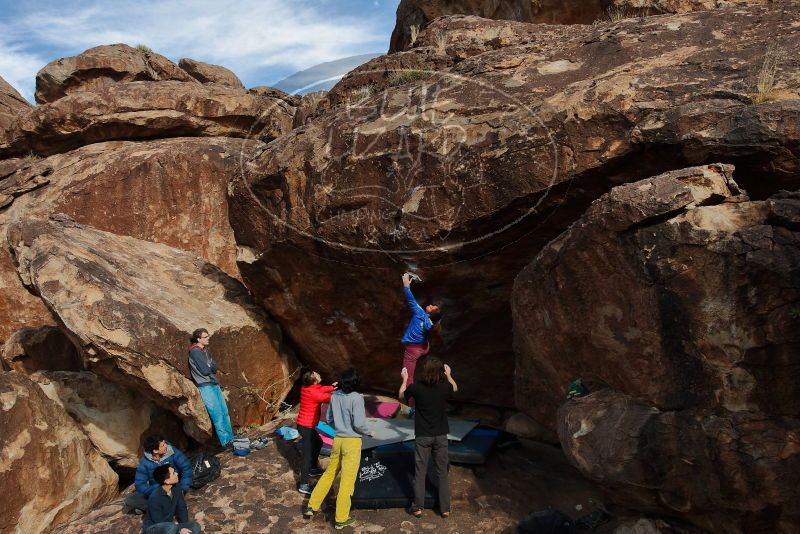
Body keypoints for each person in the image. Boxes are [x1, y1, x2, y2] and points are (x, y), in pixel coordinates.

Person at [303, 368, 372, 530]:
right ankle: (341, 518)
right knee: (347, 481)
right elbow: (359, 424)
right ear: (355, 382)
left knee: (329, 473)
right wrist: (369, 432)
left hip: (338, 440)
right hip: (352, 442)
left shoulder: (335, 396)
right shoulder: (356, 398)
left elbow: (329, 419)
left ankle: (311, 506)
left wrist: (340, 427)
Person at [399, 356, 458, 519]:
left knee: (420, 472)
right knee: (442, 472)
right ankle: (445, 508)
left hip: (423, 435)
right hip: (440, 435)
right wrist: (449, 375)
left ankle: (417, 507)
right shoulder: (444, 386)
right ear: (440, 371)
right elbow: (455, 389)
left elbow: (401, 396)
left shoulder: (416, 387)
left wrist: (404, 379)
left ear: (424, 370)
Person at [400, 273, 442, 411]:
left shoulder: (420, 314)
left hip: (412, 350)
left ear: (431, 314)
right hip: (423, 347)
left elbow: (411, 300)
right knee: (422, 359)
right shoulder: (432, 323)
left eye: (432, 307)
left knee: (408, 376)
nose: (429, 305)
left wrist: (406, 284)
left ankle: (412, 405)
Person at [188, 328, 234, 448]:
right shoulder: (195, 352)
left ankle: (231, 438)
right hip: (205, 387)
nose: (208, 338)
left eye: (208, 336)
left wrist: (209, 366)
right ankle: (225, 442)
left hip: (214, 384)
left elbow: (214, 367)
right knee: (217, 414)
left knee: (224, 412)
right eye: (205, 336)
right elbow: (205, 370)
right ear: (198, 339)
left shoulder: (206, 351)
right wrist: (209, 366)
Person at [125, 434, 193, 514]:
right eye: (163, 445)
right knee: (130, 500)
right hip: (158, 490)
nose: (166, 446)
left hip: (174, 487)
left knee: (171, 496)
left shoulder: (172, 452)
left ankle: (155, 508)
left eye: (165, 443)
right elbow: (140, 484)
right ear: (155, 451)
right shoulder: (145, 462)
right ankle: (165, 507)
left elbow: (186, 468)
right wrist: (155, 490)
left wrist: (183, 488)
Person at [296, 370, 337, 495]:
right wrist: (342, 394)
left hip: (305, 425)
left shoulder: (306, 388)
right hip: (306, 427)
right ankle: (303, 484)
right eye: (317, 375)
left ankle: (313, 468)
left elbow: (321, 388)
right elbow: (330, 398)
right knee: (307, 456)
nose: (319, 374)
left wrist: (332, 387)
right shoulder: (314, 393)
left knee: (318, 442)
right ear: (314, 380)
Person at [142, 464, 202, 534]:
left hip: (170, 527)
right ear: (167, 481)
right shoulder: (154, 497)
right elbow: (159, 522)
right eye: (173, 473)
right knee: (171, 527)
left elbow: (182, 507)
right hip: (154, 528)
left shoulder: (177, 488)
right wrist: (179, 531)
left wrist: (185, 526)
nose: (177, 473)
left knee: (195, 525)